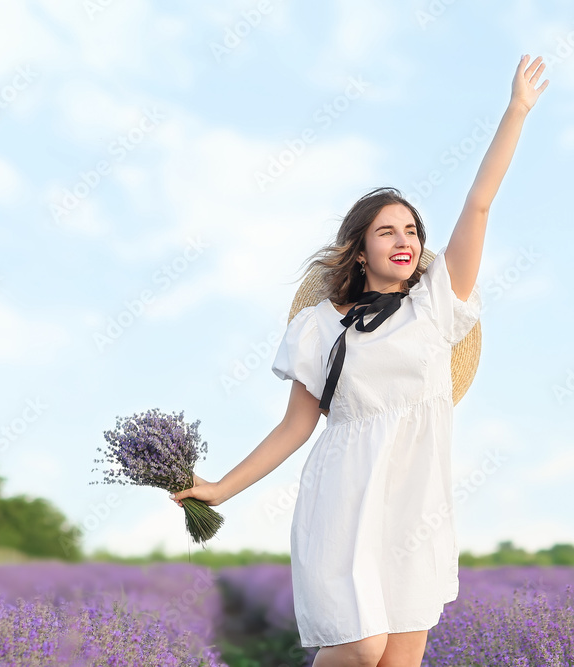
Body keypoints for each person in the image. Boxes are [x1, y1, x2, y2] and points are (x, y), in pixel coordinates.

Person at [172, 53, 549, 667]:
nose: (405, 241)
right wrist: (218, 490)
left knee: (400, 657)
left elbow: (478, 204)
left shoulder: (436, 305)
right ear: (360, 249)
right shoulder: (320, 326)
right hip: (343, 499)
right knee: (360, 647)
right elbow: (295, 427)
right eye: (387, 231)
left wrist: (517, 111)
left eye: (411, 231)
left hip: (417, 507)